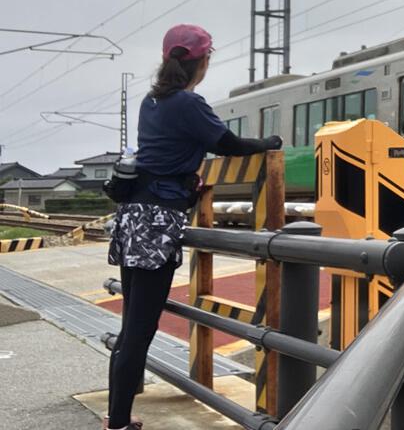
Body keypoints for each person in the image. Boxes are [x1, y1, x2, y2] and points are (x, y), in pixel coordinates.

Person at [105, 24, 282, 430]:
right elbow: (228, 144)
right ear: (202, 63)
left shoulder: (151, 101)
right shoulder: (188, 103)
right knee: (139, 330)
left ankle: (117, 416)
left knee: (132, 325)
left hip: (133, 216)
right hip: (157, 221)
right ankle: (117, 423)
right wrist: (268, 143)